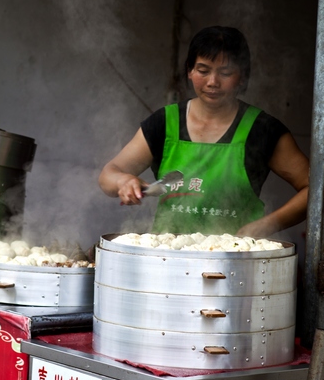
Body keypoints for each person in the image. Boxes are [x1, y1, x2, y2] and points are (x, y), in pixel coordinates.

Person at [99, 26, 309, 237]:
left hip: (237, 260)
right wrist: (123, 181)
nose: (212, 82)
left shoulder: (262, 130)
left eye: (225, 73)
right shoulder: (164, 123)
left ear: (243, 76)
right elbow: (109, 174)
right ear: (189, 71)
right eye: (203, 71)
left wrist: (267, 225)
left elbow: (315, 189)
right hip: (166, 257)